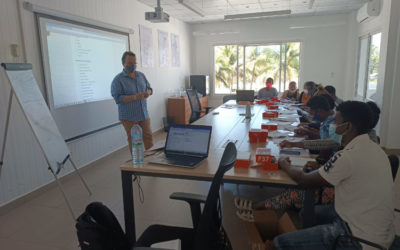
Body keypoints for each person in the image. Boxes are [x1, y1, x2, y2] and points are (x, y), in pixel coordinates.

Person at [273, 101, 395, 249]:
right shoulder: (376, 150)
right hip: (379, 230)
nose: (332, 126)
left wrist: (284, 163)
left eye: (335, 122)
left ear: (348, 127)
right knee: (307, 212)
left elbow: (303, 180)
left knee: (280, 243)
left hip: (358, 239)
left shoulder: (348, 156)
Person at [111, 51, 154, 154]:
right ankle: (137, 166)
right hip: (129, 117)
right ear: (123, 63)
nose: (133, 65)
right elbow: (118, 98)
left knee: (149, 138)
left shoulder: (141, 75)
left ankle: (153, 162)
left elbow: (150, 88)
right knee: (135, 142)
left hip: (143, 114)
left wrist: (148, 92)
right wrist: (134, 97)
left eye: (134, 63)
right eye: (130, 63)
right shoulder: (118, 80)